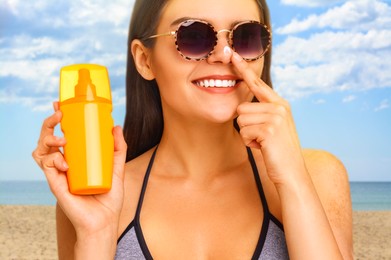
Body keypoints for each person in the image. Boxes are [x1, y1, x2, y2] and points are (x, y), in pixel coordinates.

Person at [32, 0, 353, 259]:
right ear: (144, 60)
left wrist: (294, 183)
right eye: (194, 36)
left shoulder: (317, 175)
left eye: (245, 37)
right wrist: (96, 234)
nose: (224, 55)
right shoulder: (100, 196)